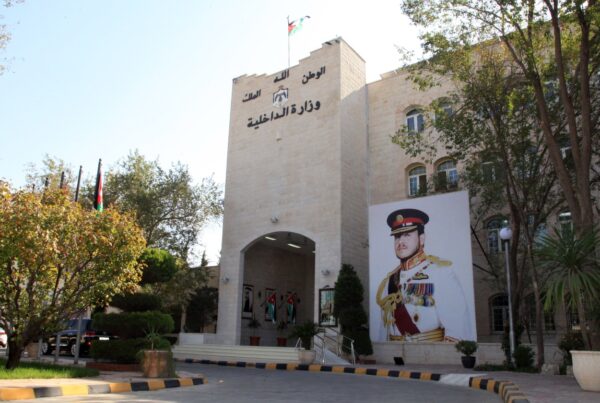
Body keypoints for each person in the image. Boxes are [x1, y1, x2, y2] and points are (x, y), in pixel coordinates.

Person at [375, 208, 474, 342]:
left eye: (407, 235)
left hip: (429, 352)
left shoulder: (440, 273)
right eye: (397, 237)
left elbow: (457, 330)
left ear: (421, 239)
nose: (400, 242)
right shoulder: (389, 281)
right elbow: (384, 330)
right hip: (394, 352)